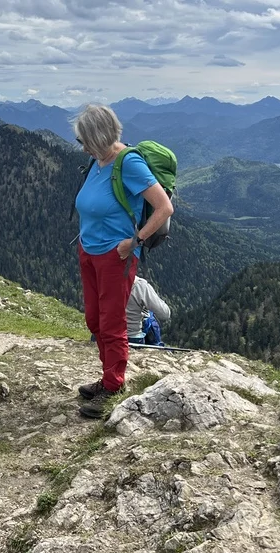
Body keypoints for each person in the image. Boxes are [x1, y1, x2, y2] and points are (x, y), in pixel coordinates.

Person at [72, 104, 174, 418]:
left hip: (116, 257)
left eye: (85, 140)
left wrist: (134, 243)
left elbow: (164, 208)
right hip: (89, 251)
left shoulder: (128, 163)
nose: (83, 146)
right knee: (95, 320)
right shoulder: (97, 160)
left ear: (101, 137)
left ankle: (114, 385)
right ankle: (107, 376)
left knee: (113, 323)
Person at [126, 276, 170, 345]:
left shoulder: (104, 280)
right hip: (132, 336)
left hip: (108, 334)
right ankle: (156, 346)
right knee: (150, 319)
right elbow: (165, 314)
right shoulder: (139, 285)